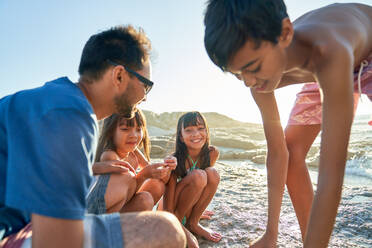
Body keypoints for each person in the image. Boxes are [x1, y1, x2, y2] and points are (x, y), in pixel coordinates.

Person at [204, 1, 372, 247]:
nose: (248, 82)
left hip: (355, 53)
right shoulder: (259, 81)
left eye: (252, 67)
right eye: (238, 74)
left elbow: (331, 176)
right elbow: (278, 154)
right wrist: (271, 235)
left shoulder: (328, 52)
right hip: (320, 69)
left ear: (284, 34)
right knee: (292, 152)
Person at [0, 25, 186, 248]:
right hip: (9, 234)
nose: (145, 98)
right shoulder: (70, 116)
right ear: (119, 76)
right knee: (164, 229)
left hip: (19, 224)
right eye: (146, 86)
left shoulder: (55, 99)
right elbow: (56, 242)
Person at [87, 110, 177, 214]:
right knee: (144, 198)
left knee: (157, 185)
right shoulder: (109, 156)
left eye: (138, 129)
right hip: (103, 211)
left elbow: (154, 173)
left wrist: (167, 166)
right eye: (125, 129)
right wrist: (143, 175)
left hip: (122, 203)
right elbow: (124, 193)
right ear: (111, 132)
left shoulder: (133, 151)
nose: (133, 135)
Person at [164, 111, 222, 247]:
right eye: (189, 130)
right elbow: (167, 207)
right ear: (181, 137)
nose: (196, 134)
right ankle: (180, 224)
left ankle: (193, 222)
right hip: (172, 211)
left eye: (200, 128)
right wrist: (176, 222)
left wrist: (197, 210)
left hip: (187, 208)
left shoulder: (211, 153)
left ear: (207, 132)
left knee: (211, 173)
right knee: (198, 175)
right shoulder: (175, 160)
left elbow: (206, 186)